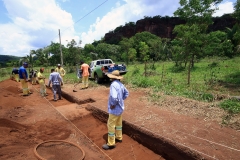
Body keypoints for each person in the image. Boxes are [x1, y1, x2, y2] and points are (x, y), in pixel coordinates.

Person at [102, 70, 129, 150]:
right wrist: (121, 100)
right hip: (120, 108)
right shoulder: (121, 84)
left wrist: (113, 104)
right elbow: (127, 93)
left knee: (110, 125)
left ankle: (111, 143)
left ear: (112, 78)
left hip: (114, 109)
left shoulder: (113, 85)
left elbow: (114, 97)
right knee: (118, 124)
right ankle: (119, 137)